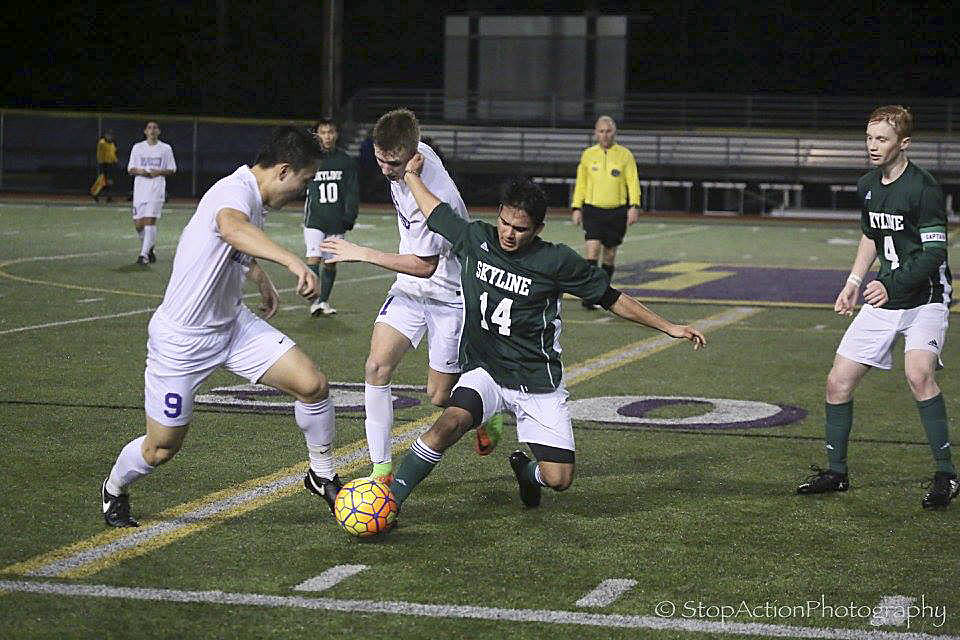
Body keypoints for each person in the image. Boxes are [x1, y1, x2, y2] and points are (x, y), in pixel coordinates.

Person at [387, 158, 706, 511]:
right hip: (486, 371)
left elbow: (612, 299)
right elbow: (436, 212)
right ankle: (391, 502)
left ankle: (527, 473)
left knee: (560, 479)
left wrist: (669, 327)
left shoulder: (556, 262)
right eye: (504, 222)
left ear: (538, 229)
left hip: (536, 379)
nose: (508, 233)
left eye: (520, 229)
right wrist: (412, 176)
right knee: (449, 423)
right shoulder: (477, 238)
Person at [101, 126, 342, 528]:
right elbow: (231, 228)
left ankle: (322, 474)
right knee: (160, 449)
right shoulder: (233, 190)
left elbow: (229, 245)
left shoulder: (256, 197)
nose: (302, 192)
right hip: (182, 341)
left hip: (232, 326)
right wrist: (292, 261)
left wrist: (259, 277)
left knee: (312, 384)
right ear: (283, 171)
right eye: (303, 182)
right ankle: (114, 487)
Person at [320, 108, 502, 486]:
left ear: (411, 155)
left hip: (448, 292)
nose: (385, 169)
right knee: (376, 367)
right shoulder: (408, 155)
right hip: (409, 289)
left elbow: (425, 265)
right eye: (379, 159)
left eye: (393, 163)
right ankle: (380, 472)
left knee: (439, 397)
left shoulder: (438, 195)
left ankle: (488, 405)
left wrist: (363, 253)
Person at [796, 105, 956, 509]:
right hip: (884, 295)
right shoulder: (867, 183)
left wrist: (889, 284)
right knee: (837, 382)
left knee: (918, 375)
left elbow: (935, 252)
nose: (872, 146)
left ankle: (946, 474)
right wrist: (853, 283)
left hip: (925, 298)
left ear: (904, 143)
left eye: (881, 139)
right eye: (868, 138)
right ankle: (837, 473)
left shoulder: (924, 188)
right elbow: (871, 237)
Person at [570, 115, 641, 309]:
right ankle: (589, 294)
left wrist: (634, 206)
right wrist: (577, 207)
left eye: (608, 131)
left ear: (614, 132)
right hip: (592, 210)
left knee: (609, 254)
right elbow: (581, 183)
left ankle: (602, 292)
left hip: (616, 211)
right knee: (592, 250)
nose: (605, 135)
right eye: (601, 131)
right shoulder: (588, 155)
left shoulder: (625, 155)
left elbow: (632, 181)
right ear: (595, 133)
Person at [303, 118, 359, 317]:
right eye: (323, 132)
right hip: (315, 219)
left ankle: (324, 301)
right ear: (317, 134)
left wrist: (350, 215)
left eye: (331, 132)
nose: (327, 136)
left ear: (336, 134)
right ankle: (314, 302)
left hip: (336, 220)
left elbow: (352, 191)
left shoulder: (345, 161)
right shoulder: (310, 160)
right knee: (314, 257)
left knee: (330, 263)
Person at [127, 121, 177, 265]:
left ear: (159, 131)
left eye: (155, 128)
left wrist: (159, 171)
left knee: (150, 221)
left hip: (156, 189)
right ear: (145, 131)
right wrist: (140, 171)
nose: (152, 130)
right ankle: (149, 248)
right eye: (149, 128)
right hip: (140, 189)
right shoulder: (138, 148)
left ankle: (143, 256)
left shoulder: (165, 148)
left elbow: (172, 169)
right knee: (138, 225)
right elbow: (130, 168)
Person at [91, 131, 118, 203]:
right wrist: (101, 163)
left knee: (109, 182)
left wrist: (115, 160)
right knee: (104, 181)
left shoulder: (112, 144)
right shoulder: (102, 143)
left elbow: (113, 153)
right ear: (105, 135)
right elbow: (102, 152)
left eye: (111, 135)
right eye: (108, 135)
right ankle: (95, 194)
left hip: (111, 164)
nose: (110, 137)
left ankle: (108, 197)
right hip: (104, 164)